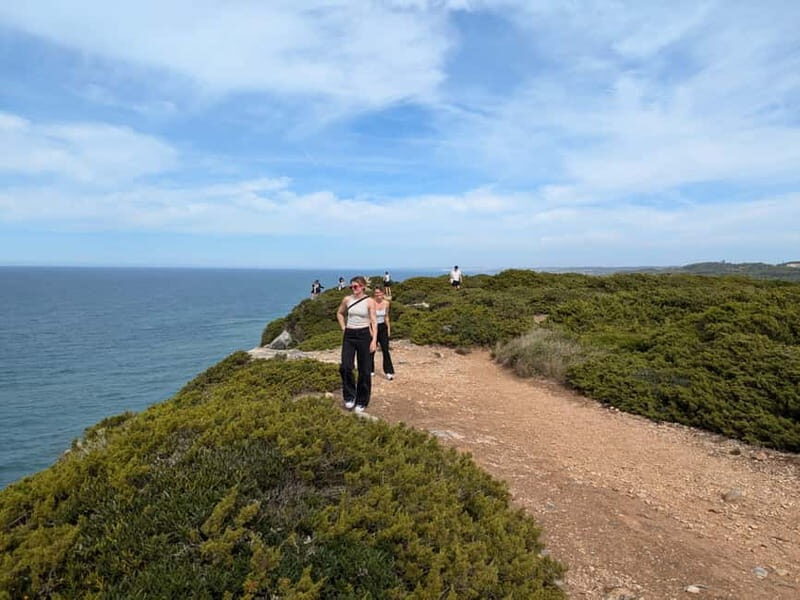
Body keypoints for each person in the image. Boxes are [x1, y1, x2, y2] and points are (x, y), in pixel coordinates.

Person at [336, 276, 377, 412]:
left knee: (364, 370)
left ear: (363, 287)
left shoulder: (370, 301)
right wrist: (343, 328)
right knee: (346, 367)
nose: (354, 289)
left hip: (364, 334)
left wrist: (374, 340)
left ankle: (362, 400)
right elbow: (340, 313)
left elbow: (373, 321)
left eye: (356, 286)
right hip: (349, 335)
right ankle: (349, 396)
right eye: (352, 287)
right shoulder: (347, 300)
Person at [370, 286, 395, 380]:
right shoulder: (371, 303)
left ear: (383, 294)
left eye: (379, 293)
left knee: (385, 349)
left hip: (382, 327)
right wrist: (370, 331)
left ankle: (389, 371)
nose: (378, 295)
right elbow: (368, 318)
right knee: (371, 350)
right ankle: (370, 369)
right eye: (376, 293)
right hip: (372, 327)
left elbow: (386, 316)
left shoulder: (386, 303)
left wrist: (388, 328)